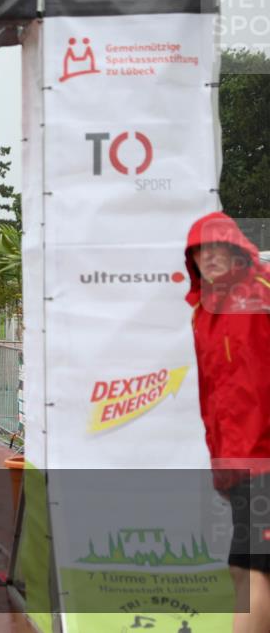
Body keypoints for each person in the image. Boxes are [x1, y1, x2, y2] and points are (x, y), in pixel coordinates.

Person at [184, 212, 270, 633]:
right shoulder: (203, 314)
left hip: (267, 461)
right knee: (241, 569)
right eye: (200, 249)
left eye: (218, 246)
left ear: (237, 248)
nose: (209, 256)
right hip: (238, 463)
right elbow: (215, 397)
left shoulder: (262, 291)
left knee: (258, 573)